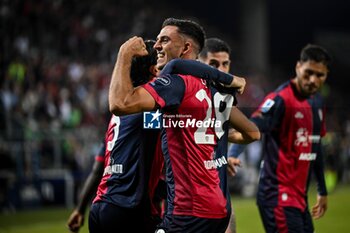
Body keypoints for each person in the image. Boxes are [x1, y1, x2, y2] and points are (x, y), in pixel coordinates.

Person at [109, 17, 260, 233]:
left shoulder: (174, 84)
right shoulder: (213, 91)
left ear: (186, 47)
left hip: (188, 211)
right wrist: (219, 148)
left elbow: (119, 103)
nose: (157, 46)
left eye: (164, 40)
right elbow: (253, 133)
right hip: (217, 207)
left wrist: (124, 54)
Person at [228, 44, 331, 233]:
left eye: (320, 75)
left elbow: (315, 149)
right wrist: (234, 153)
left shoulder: (317, 103)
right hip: (276, 197)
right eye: (308, 73)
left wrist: (322, 190)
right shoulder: (280, 99)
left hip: (299, 199)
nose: (313, 80)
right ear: (298, 67)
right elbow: (253, 125)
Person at [88, 40, 163, 233]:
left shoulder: (124, 111)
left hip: (103, 205)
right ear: (155, 70)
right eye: (163, 61)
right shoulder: (150, 110)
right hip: (128, 208)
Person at [198, 37, 237, 233]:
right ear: (199, 64)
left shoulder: (225, 97)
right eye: (213, 64)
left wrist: (221, 158)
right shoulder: (187, 94)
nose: (220, 70)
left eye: (225, 64)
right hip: (191, 204)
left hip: (219, 196)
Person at [67, 143, 105, 232]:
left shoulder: (109, 134)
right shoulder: (140, 132)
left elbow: (96, 173)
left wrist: (80, 210)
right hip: (129, 205)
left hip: (100, 208)